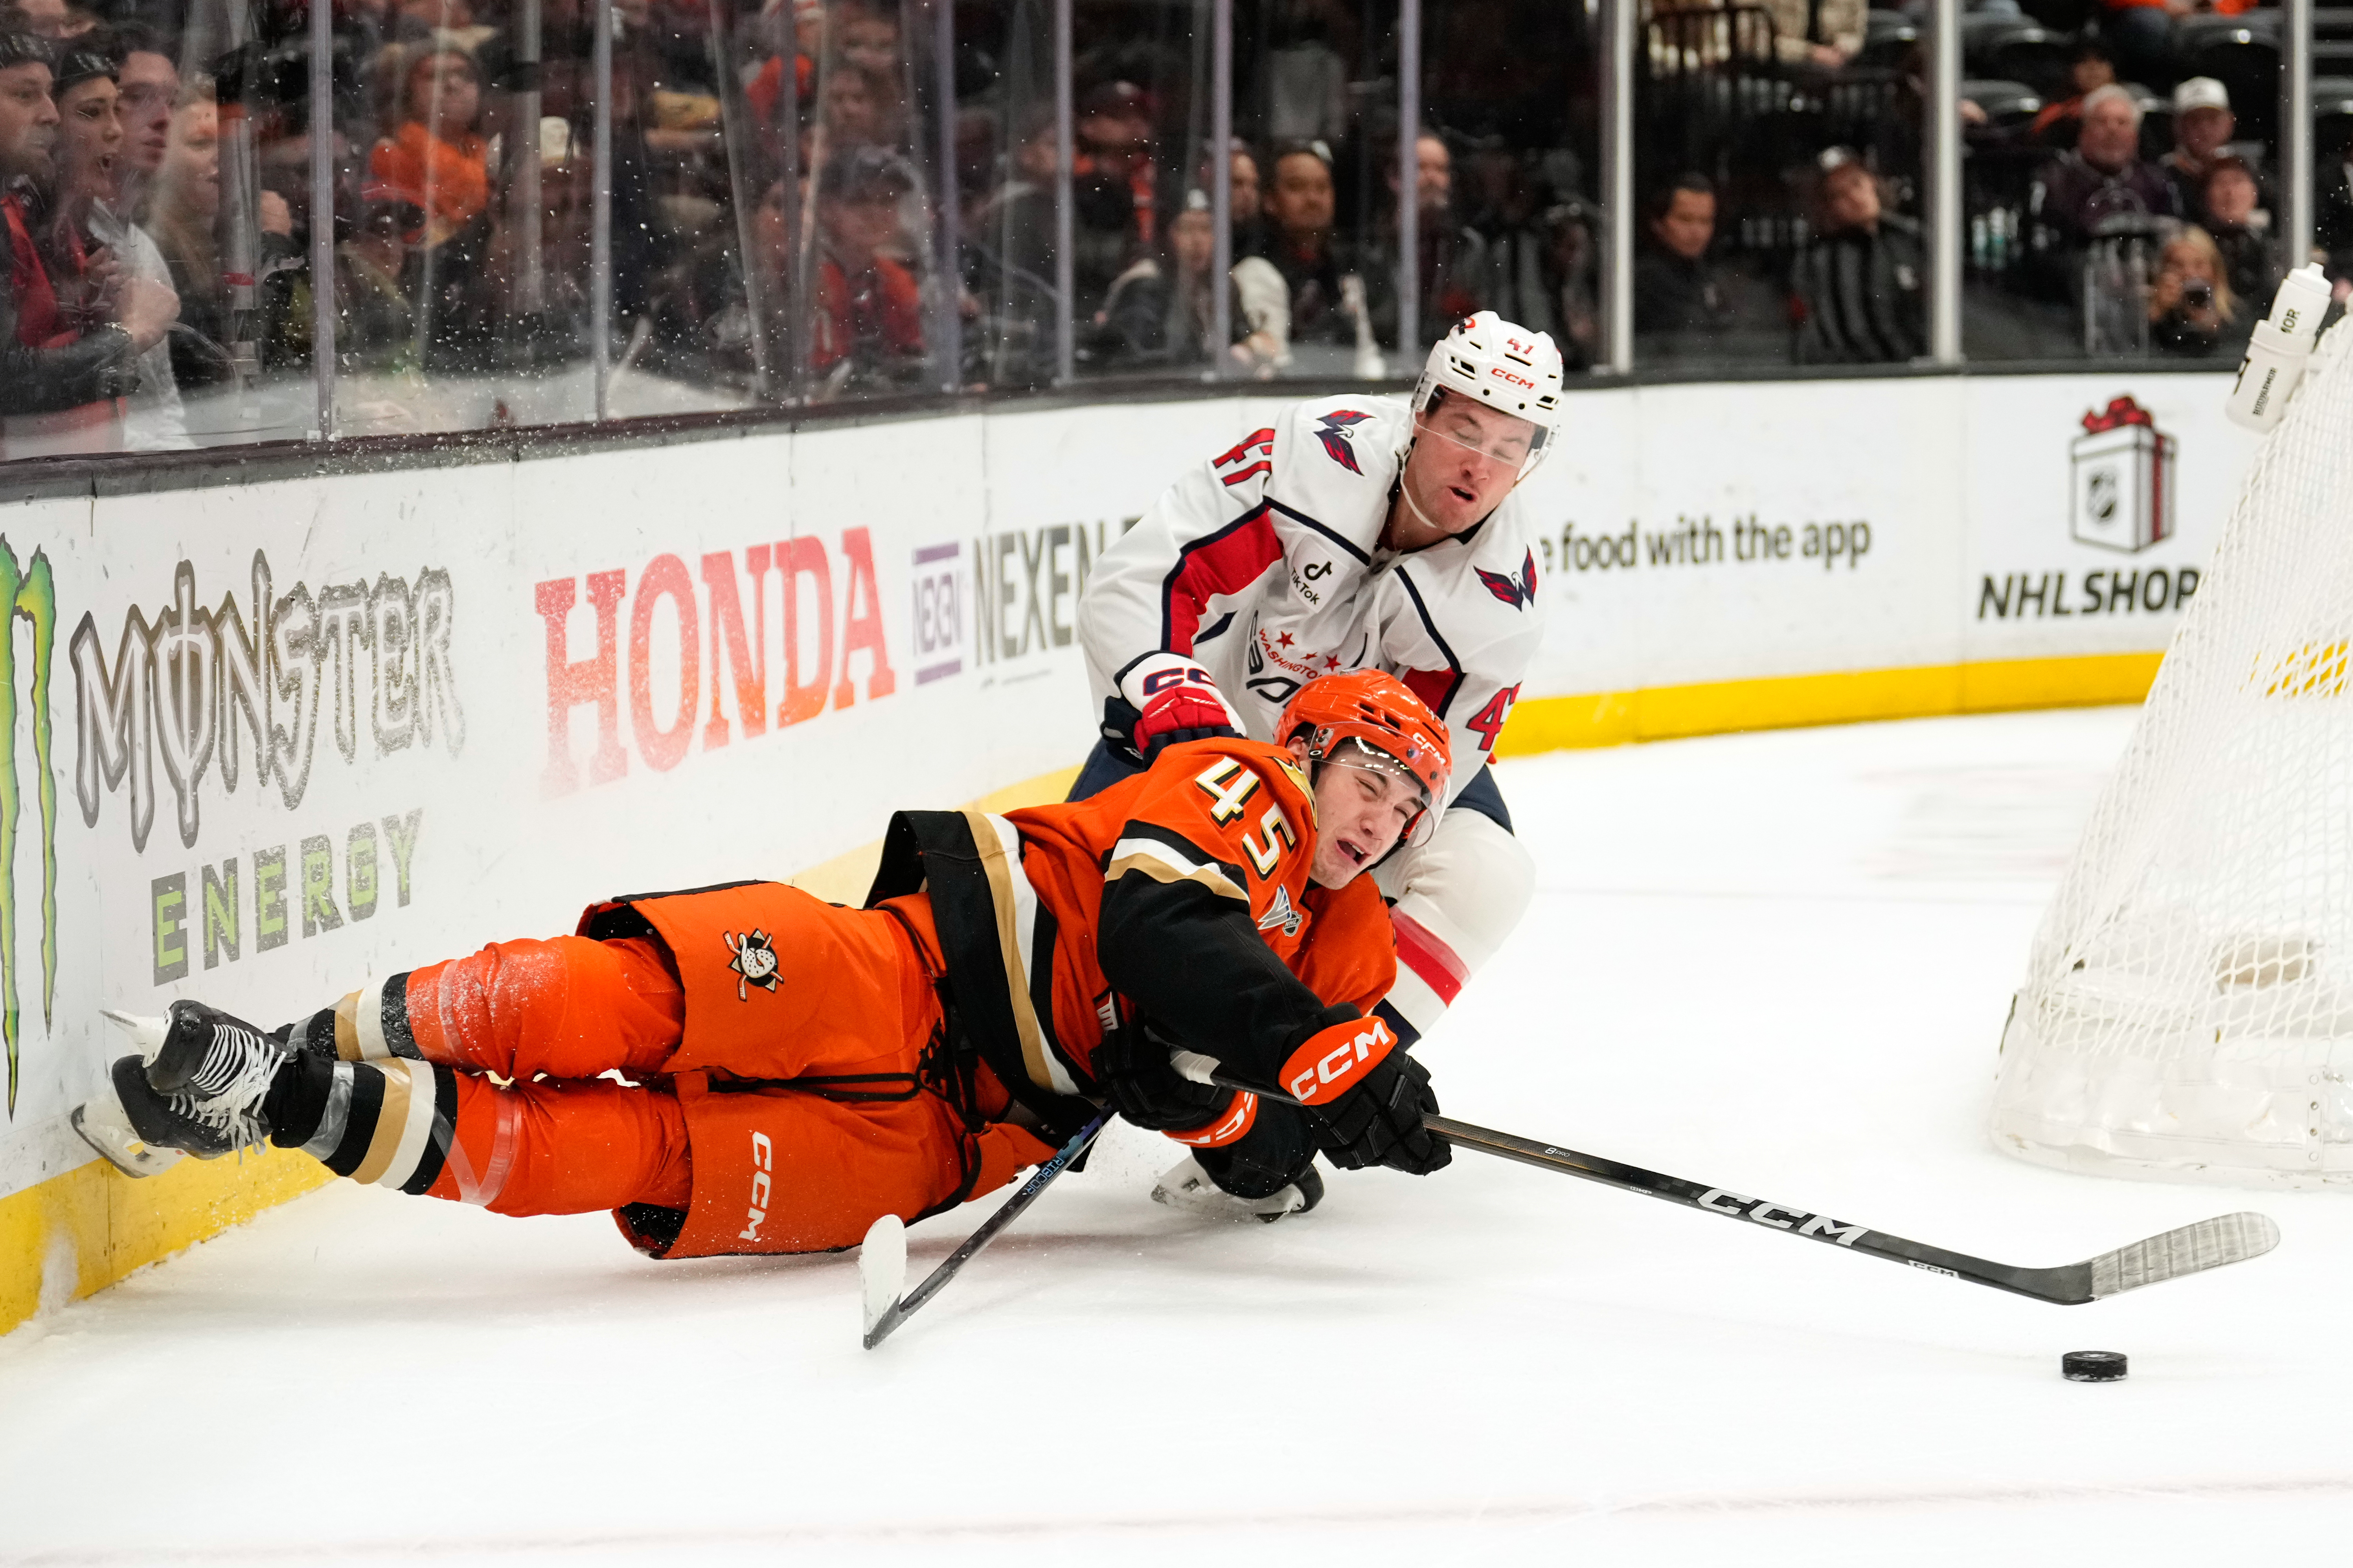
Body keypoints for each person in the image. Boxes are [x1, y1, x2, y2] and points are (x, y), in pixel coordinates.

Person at [78, 672, 1458, 1249]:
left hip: (968, 1136)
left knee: (649, 1156)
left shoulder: (1345, 941)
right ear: (1305, 751)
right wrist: (1322, 1057)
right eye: (1369, 779)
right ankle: (279, 1053)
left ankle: (268, 1097)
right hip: (923, 970)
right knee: (641, 998)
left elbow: (1258, 1149)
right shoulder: (1236, 782)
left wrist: (1228, 1110)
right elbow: (1166, 936)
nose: (1378, 819)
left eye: (1407, 809)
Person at [1070, 311, 1558, 1214]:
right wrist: (1186, 732)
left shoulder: (1499, 604)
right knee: (1076, 987)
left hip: (1352, 782)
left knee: (1487, 870)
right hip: (1203, 736)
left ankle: (1292, 1096)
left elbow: (1410, 805)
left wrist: (1292, 1007)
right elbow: (1141, 581)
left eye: (1508, 445)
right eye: (1462, 428)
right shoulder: (1315, 458)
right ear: (1419, 413)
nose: (1478, 466)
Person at [0, 15, 167, 446]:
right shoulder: (15, 223)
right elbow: (9, 380)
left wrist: (84, 308)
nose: (50, 116)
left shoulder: (75, 240)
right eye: (91, 113)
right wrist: (129, 335)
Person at [369, 46, 497, 367]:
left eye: (464, 76)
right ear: (407, 93)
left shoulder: (494, 160)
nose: (453, 85)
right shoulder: (388, 160)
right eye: (434, 77)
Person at [2028, 84, 2179, 302]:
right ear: (2084, 131)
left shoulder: (2158, 182)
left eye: (2122, 123)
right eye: (2101, 122)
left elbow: (2179, 245)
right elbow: (2042, 257)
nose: (2113, 131)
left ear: (2135, 136)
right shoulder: (2054, 183)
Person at [1791, 150, 1925, 364]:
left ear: (1873, 183)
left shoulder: (1910, 241)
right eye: (1840, 195)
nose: (1854, 198)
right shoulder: (1818, 257)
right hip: (1848, 375)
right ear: (1829, 208)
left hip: (1912, 373)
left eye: (1857, 185)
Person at [811, 145, 924, 393]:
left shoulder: (896, 279)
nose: (875, 213)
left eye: (887, 201)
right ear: (826, 208)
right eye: (858, 200)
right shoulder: (810, 279)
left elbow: (912, 357)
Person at [1633, 172, 1741, 357]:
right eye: (1685, 219)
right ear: (1658, 224)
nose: (1697, 232)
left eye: (1705, 221)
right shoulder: (1641, 282)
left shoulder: (1716, 279)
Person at [2161, 77, 2239, 223]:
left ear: (2229, 122)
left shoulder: (2247, 173)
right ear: (2178, 126)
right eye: (2194, 120)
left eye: (2212, 118)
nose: (2204, 128)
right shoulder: (2161, 176)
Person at [2147, 225, 2234, 355]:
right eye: (2177, 265)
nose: (2190, 273)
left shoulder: (2236, 318)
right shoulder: (2147, 320)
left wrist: (2210, 326)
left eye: (2199, 265)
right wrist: (2156, 314)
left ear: (2216, 272)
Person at [2200, 154, 2272, 308]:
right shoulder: (2197, 246)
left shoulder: (2274, 243)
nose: (2230, 193)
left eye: (2238, 181)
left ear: (2255, 192)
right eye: (2221, 183)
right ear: (2206, 195)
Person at [2028, 37, 2118, 150]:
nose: (2092, 67)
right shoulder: (2056, 114)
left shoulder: (2131, 108)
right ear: (2071, 71)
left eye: (2101, 60)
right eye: (2083, 61)